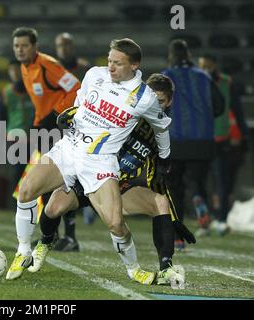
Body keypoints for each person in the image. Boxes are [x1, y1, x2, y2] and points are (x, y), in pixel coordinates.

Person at [6, 38, 172, 286]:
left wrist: (163, 160)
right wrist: (68, 116)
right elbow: (79, 104)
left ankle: (133, 269)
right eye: (109, 60)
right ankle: (23, 251)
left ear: (135, 65)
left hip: (100, 163)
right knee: (27, 191)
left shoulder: (145, 98)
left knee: (116, 224)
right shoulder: (94, 74)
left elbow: (161, 129)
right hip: (69, 149)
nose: (111, 67)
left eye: (117, 63)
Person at [29, 74, 196, 287]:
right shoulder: (127, 113)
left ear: (169, 102)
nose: (155, 105)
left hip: (117, 187)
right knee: (53, 209)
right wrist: (72, 114)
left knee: (160, 202)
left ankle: (165, 267)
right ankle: (45, 241)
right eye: (153, 100)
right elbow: (92, 111)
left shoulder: (159, 134)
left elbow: (157, 180)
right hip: (87, 175)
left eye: (160, 101)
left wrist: (172, 220)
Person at [8, 26, 81, 275]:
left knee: (62, 181)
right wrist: (38, 122)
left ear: (35, 47)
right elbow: (41, 101)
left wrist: (55, 114)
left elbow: (76, 88)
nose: (20, 50)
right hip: (46, 126)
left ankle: (68, 236)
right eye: (17, 46)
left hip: (61, 127)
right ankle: (56, 234)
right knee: (48, 184)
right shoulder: (25, 68)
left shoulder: (48, 66)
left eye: (24, 46)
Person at [162, 40, 225, 248]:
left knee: (174, 189)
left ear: (171, 56)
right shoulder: (203, 76)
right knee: (197, 181)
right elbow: (219, 106)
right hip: (203, 142)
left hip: (176, 142)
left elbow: (155, 106)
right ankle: (198, 199)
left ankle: (178, 238)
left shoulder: (166, 76)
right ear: (188, 55)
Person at [49, 32, 93, 252]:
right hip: (57, 129)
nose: (64, 48)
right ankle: (59, 233)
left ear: (72, 46)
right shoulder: (52, 70)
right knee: (57, 181)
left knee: (68, 182)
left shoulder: (85, 70)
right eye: (60, 45)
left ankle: (69, 234)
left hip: (80, 131)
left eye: (67, 44)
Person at [198, 54, 250, 235]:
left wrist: (243, 134)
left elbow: (237, 110)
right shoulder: (195, 82)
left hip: (220, 139)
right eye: (202, 65)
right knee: (200, 181)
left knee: (221, 180)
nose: (205, 69)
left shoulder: (226, 83)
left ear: (214, 65)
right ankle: (205, 220)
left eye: (208, 65)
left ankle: (220, 219)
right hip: (199, 139)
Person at [0, 58, 35, 194]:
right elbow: (1, 117)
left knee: (33, 172)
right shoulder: (6, 92)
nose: (15, 73)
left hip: (33, 137)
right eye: (11, 70)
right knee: (18, 170)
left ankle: (31, 204)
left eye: (17, 69)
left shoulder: (33, 90)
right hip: (14, 137)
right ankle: (18, 204)